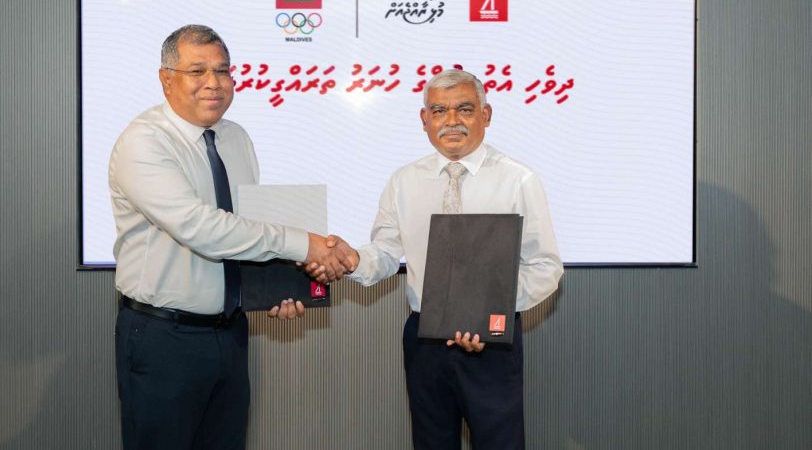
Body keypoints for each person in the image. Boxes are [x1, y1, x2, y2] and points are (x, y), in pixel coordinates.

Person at [110, 24, 351, 450]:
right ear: (166, 79)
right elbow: (202, 229)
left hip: (230, 332)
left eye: (222, 70)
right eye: (197, 71)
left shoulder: (235, 138)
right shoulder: (144, 142)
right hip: (164, 337)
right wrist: (307, 244)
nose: (214, 82)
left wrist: (274, 288)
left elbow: (246, 230)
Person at [311, 69, 563, 450]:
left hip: (491, 343)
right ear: (424, 119)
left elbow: (546, 267)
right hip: (424, 342)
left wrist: (486, 313)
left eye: (465, 109)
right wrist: (351, 259)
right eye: (439, 111)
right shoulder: (404, 181)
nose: (452, 121)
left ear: (486, 115)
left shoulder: (518, 180)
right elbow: (384, 254)